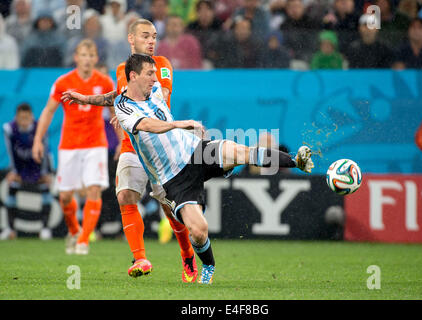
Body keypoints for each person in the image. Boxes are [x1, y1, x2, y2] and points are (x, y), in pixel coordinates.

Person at [114, 53, 314, 284]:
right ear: (133, 76)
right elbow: (147, 124)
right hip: (174, 178)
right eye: (149, 73)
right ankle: (208, 265)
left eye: (155, 73)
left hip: (196, 151)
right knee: (199, 231)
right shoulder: (123, 107)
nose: (154, 78)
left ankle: (295, 161)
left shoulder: (155, 88)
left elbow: (118, 94)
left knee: (240, 152)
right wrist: (178, 124)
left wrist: (88, 98)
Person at [60, 19, 199, 283]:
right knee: (125, 195)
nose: (151, 41)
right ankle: (140, 258)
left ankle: (187, 254)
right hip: (133, 144)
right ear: (131, 39)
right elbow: (123, 95)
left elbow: (156, 97)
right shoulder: (122, 69)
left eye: (154, 36)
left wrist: (123, 108)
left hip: (160, 147)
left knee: (170, 209)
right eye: (145, 36)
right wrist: (105, 103)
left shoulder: (163, 65)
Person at [32, 39, 114, 255]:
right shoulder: (63, 82)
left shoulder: (105, 82)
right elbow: (49, 111)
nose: (87, 59)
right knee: (66, 196)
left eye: (91, 55)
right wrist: (38, 140)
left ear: (96, 58)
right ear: (76, 57)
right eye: (83, 55)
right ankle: (75, 230)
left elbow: (116, 114)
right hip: (69, 144)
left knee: (93, 189)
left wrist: (124, 142)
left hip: (95, 143)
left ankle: (84, 241)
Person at [1, 103, 53, 240]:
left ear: (32, 117)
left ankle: (45, 229)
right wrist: (14, 171)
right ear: (16, 118)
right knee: (11, 189)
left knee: (46, 190)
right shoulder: (9, 129)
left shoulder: (40, 128)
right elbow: (11, 152)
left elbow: (45, 151)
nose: (24, 121)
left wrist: (45, 174)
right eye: (21, 118)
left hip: (37, 165)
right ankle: (10, 230)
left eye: (26, 118)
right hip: (21, 166)